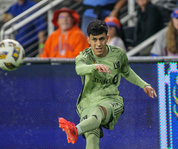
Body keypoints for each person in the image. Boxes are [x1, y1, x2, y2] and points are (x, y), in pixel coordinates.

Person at [58, 20, 157, 148]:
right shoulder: (84, 56)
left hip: (111, 100)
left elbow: (127, 72)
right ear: (88, 40)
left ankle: (75, 130)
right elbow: (79, 69)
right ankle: (77, 130)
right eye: (94, 39)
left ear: (107, 38)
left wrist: (144, 85)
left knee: (98, 111)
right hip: (87, 102)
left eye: (102, 39)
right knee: (92, 135)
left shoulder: (118, 54)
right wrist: (94, 67)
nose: (98, 44)